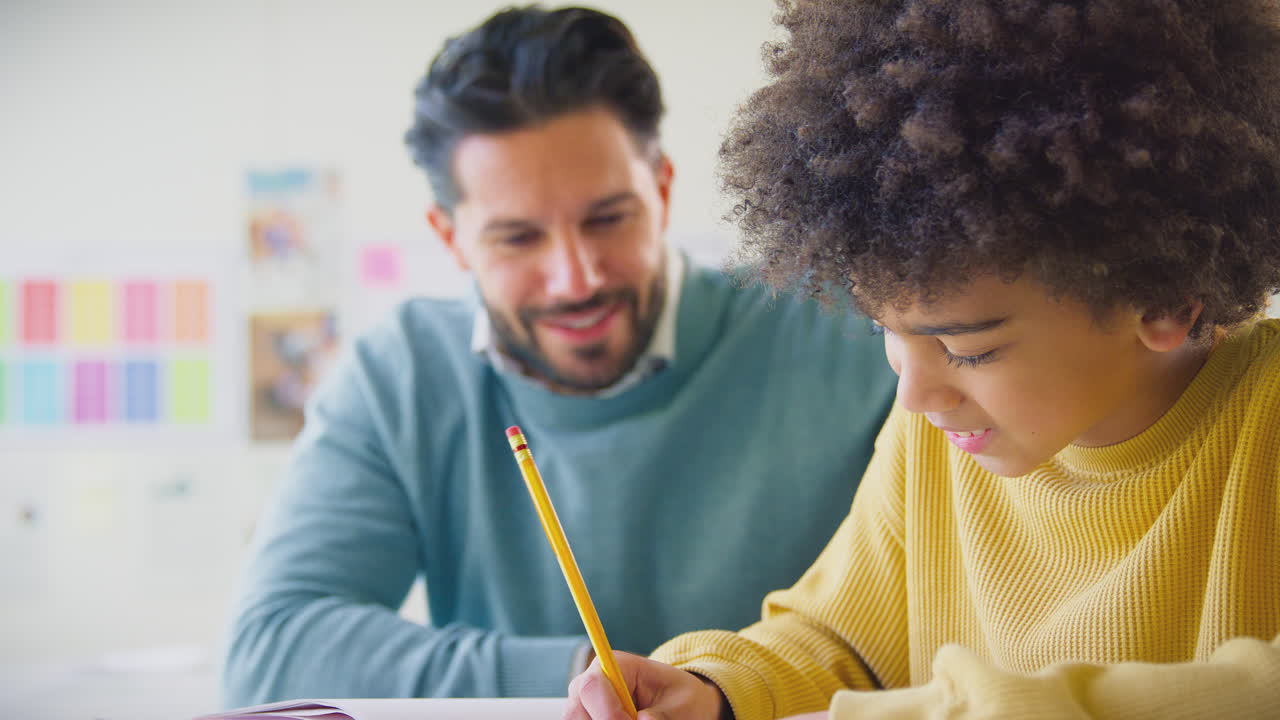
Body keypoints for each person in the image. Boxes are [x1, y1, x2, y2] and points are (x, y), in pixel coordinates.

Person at [564, 0, 1280, 718]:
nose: (914, 393)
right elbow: (837, 639)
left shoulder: (1265, 418)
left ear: (1163, 297)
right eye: (887, 330)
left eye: (969, 349)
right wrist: (717, 690)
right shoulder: (941, 436)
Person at [219, 4, 898, 707]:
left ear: (662, 191)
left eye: (608, 218)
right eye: (518, 238)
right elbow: (270, 655)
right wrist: (597, 681)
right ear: (449, 237)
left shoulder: (858, 335)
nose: (577, 278)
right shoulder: (404, 375)